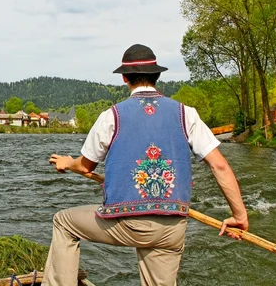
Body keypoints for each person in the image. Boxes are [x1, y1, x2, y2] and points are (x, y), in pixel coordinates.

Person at [42, 44, 249, 286]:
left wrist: (67, 163)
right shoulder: (187, 114)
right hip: (172, 226)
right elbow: (220, 166)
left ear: (124, 78)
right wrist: (239, 215)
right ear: (157, 76)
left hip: (127, 223)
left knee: (64, 222)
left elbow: (86, 166)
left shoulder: (111, 116)